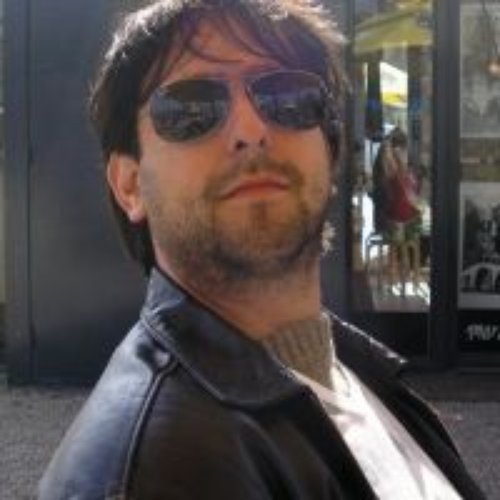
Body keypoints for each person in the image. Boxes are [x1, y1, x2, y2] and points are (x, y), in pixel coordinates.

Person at [39, 1, 484, 498]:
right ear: (129, 186)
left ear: (329, 150)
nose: (251, 131)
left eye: (288, 96)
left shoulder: (358, 371)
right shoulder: (147, 471)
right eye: (191, 108)